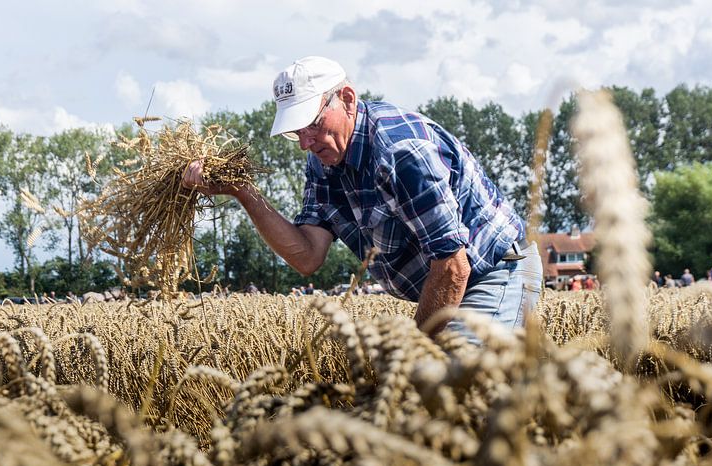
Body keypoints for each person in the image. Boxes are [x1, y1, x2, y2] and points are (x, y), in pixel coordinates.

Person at [182, 56, 542, 337]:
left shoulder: (402, 153)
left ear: (348, 99)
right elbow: (307, 255)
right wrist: (242, 192)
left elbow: (452, 266)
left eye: (312, 124)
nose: (306, 142)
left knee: (452, 387)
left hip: (495, 272)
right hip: (454, 281)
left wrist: (414, 350)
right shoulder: (323, 163)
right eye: (296, 133)